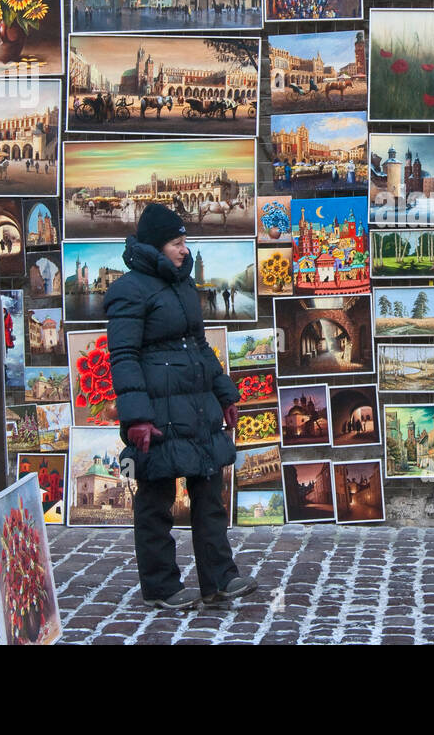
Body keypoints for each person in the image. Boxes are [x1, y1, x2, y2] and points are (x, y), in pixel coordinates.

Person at [105, 202, 258, 610]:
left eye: (185, 241)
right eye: (177, 242)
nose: (184, 249)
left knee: (208, 495)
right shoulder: (127, 292)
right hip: (156, 414)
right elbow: (122, 356)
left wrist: (225, 393)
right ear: (156, 246)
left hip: (197, 409)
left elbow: (200, 346)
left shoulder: (184, 287)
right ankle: (161, 586)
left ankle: (219, 578)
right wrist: (136, 417)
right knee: (155, 501)